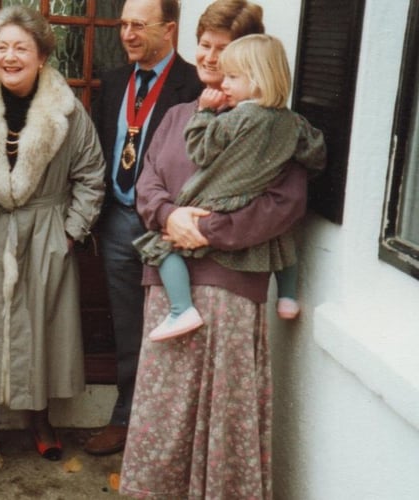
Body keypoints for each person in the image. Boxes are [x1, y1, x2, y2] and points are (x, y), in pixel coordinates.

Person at [119, 0, 309, 497]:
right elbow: (148, 185)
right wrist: (168, 217)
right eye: (204, 45)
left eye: (222, 49)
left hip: (231, 286)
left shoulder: (269, 125)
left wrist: (206, 232)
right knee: (165, 413)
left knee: (223, 415)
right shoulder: (180, 114)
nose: (209, 58)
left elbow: (283, 205)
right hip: (170, 287)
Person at [0, 6, 105, 468]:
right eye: (3, 47)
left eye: (21, 48)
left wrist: (70, 232)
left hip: (45, 231)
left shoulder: (67, 110)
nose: (10, 57)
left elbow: (91, 174)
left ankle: (40, 419)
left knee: (42, 324)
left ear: (42, 55)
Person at [133, 33, 326, 341]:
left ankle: (181, 311)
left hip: (229, 280)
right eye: (204, 46)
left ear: (258, 77)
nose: (214, 63)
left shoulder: (234, 120)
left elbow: (200, 150)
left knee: (160, 247)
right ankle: (287, 296)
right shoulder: (293, 124)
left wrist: (205, 115)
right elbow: (316, 152)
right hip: (183, 251)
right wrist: (167, 214)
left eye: (230, 70)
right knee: (286, 246)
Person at [86, 0, 203, 456]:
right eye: (123, 25)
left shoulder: (194, 84)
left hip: (169, 225)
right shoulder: (114, 82)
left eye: (139, 25)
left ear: (169, 29)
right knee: (128, 324)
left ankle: (167, 429)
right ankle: (126, 418)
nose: (127, 34)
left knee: (175, 324)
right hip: (117, 220)